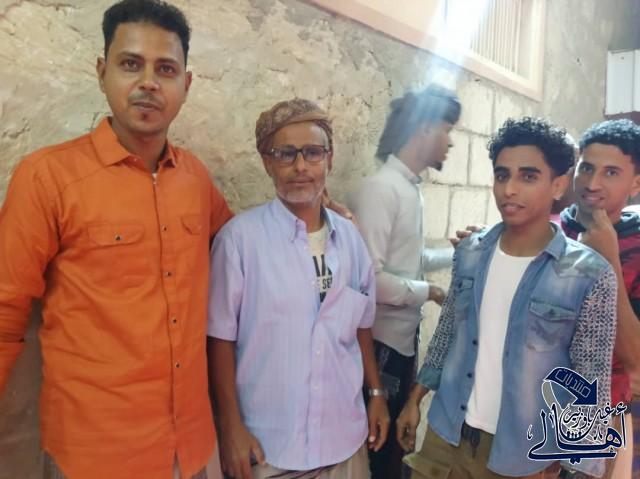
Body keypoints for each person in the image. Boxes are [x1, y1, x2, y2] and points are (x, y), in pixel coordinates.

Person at [0, 1, 233, 477]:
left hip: (189, 448)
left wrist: (311, 214)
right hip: (94, 453)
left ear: (186, 85)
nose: (149, 82)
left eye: (165, 69)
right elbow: (4, 311)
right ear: (102, 71)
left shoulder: (195, 179)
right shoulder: (47, 177)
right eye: (130, 64)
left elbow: (242, 250)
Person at [397, 117, 617, 478]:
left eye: (528, 177)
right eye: (502, 175)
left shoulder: (588, 275)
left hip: (523, 453)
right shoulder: (471, 251)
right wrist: (415, 398)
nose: (509, 189)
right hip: (447, 432)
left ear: (558, 184)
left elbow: (589, 377)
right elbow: (448, 332)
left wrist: (577, 465)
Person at [207, 98, 390, 479]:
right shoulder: (239, 241)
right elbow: (220, 340)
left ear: (329, 159)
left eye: (312, 152)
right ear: (267, 162)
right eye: (286, 154)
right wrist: (230, 427)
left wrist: (375, 393)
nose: (301, 166)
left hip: (344, 441)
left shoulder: (351, 240)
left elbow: (361, 326)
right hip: (269, 448)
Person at [348, 85, 461, 478]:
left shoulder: (408, 188)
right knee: (378, 451)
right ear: (424, 128)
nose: (450, 142)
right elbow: (369, 280)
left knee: (394, 448)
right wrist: (430, 291)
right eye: (447, 129)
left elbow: (409, 260)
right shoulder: (382, 189)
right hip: (379, 347)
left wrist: (460, 253)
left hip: (400, 344)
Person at [558, 119, 640, 479]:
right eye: (587, 168)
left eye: (611, 172)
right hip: (528, 402)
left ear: (635, 184)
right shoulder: (549, 231)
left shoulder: (636, 248)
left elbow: (635, 358)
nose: (592, 184)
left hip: (597, 412)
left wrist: (608, 260)